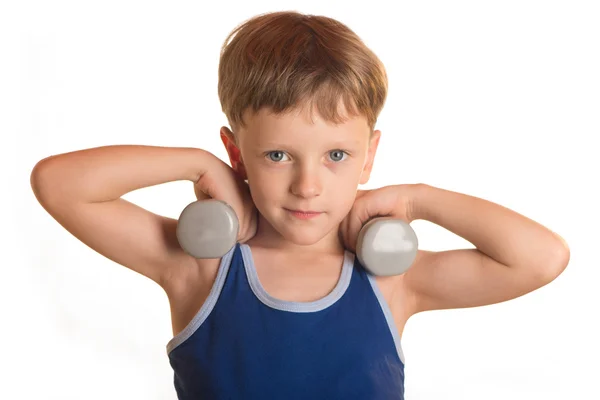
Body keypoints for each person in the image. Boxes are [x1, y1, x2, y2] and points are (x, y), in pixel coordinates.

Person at [30, 11, 570, 400]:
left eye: (337, 154)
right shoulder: (200, 266)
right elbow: (58, 183)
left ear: (369, 156)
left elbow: (540, 258)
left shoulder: (392, 281)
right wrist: (198, 164)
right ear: (237, 152)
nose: (307, 185)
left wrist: (416, 199)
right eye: (278, 154)